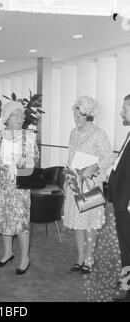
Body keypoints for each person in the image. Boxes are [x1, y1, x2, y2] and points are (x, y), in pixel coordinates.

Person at [64, 96, 115, 275]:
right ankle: (80, 258)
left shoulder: (98, 133)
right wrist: (66, 177)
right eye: (75, 115)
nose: (76, 118)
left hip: (90, 185)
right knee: (77, 224)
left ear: (88, 115)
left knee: (89, 224)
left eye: (79, 116)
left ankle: (90, 259)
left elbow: (109, 157)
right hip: (74, 184)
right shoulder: (73, 132)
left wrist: (94, 167)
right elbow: (70, 157)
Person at [0, 101, 38, 275]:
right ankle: (7, 253)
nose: (20, 118)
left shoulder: (28, 136)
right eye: (15, 115)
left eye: (22, 115)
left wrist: (20, 161)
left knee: (21, 221)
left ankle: (25, 258)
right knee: (4, 219)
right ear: (7, 118)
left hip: (20, 185)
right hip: (2, 185)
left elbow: (35, 158)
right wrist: (4, 162)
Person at [108, 94, 130, 302]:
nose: (121, 111)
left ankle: (126, 287)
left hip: (128, 203)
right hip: (122, 200)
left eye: (125, 108)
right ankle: (126, 279)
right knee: (126, 246)